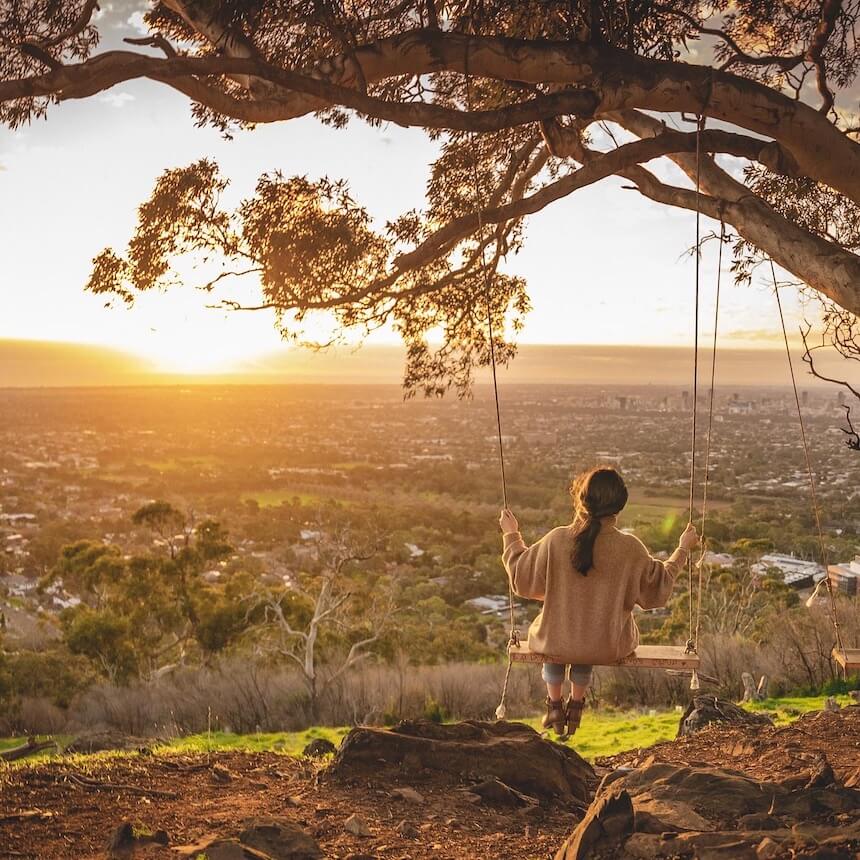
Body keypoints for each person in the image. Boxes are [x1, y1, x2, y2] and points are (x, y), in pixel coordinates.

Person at [499, 466, 699, 737]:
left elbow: (521, 577)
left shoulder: (557, 540)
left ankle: (554, 705)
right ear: (619, 506)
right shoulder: (630, 547)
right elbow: (658, 586)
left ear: (581, 500)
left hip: (556, 640)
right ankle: (577, 704)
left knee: (557, 635)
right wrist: (683, 548)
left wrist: (511, 534)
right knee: (589, 635)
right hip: (608, 645)